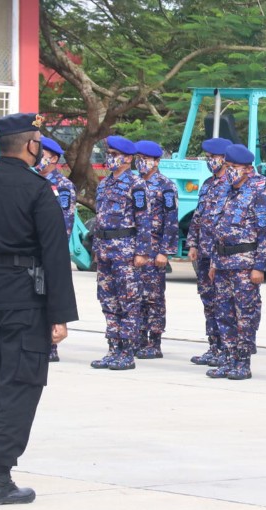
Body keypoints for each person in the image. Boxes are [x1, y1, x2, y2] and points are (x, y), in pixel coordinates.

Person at [0, 112, 78, 505]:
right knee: (18, 386)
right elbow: (55, 254)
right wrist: (59, 315)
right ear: (31, 145)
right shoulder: (38, 189)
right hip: (24, 299)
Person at [205, 144, 266, 379]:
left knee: (245, 315)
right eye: (228, 166)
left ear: (247, 169)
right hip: (222, 263)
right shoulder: (225, 192)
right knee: (224, 314)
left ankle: (243, 362)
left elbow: (265, 232)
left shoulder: (257, 192)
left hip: (244, 264)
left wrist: (259, 266)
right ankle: (229, 358)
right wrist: (214, 262)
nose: (230, 170)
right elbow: (217, 230)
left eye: (234, 167)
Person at [90, 136, 152, 371]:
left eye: (115, 155)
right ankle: (113, 349)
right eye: (109, 154)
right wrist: (96, 249)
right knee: (108, 301)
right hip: (105, 250)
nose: (110, 158)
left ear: (127, 159)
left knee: (129, 302)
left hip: (125, 251)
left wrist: (142, 252)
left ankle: (127, 352)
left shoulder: (136, 184)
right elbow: (99, 219)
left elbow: (144, 221)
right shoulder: (104, 184)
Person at [186, 137, 232, 366]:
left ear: (224, 158)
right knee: (209, 301)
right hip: (204, 252)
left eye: (213, 157)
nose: (210, 161)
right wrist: (193, 244)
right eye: (209, 157)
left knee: (224, 303)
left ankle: (227, 348)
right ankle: (214, 346)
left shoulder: (231, 185)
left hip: (221, 254)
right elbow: (198, 216)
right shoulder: (207, 184)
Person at [134, 140, 179, 359]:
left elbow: (171, 220)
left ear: (156, 162)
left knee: (153, 298)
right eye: (138, 159)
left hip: (154, 250)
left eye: (145, 159)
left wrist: (165, 251)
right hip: (134, 249)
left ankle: (154, 341)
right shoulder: (134, 183)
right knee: (135, 296)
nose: (140, 163)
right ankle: (139, 338)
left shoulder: (165, 186)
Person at [35, 136, 77, 362]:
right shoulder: (31, 180)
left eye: (42, 154)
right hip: (31, 251)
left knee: (49, 295)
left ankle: (50, 347)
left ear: (53, 159)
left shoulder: (63, 187)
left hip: (50, 251)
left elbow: (64, 223)